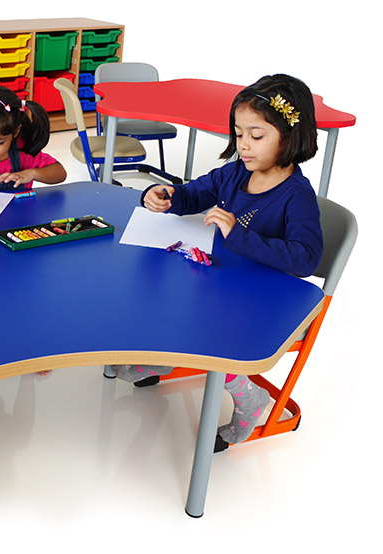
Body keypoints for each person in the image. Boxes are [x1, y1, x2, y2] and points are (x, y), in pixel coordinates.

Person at [110, 74, 323, 445]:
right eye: (239, 134)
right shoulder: (236, 172)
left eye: (256, 136)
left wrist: (238, 235)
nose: (244, 145)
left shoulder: (296, 195)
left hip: (266, 301)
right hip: (226, 284)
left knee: (211, 326)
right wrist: (163, 196)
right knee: (166, 289)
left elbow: (306, 258)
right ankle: (165, 355)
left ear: (289, 137)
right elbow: (194, 194)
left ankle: (248, 397)